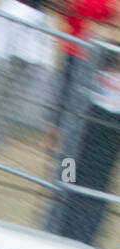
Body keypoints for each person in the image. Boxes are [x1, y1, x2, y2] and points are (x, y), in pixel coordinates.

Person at [52, 24, 120, 242]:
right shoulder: (92, 64)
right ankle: (56, 226)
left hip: (107, 140)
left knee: (95, 190)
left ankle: (83, 237)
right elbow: (95, 36)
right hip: (79, 136)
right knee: (66, 179)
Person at [0, 0, 58, 151]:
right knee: (0, 96)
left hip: (27, 49)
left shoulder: (39, 15)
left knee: (10, 100)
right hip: (13, 50)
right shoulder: (15, 8)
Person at [50, 0, 116, 150]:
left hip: (92, 54)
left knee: (77, 98)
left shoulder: (108, 2)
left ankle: (66, 138)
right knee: (62, 94)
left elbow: (112, 19)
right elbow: (63, 12)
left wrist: (100, 27)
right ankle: (56, 137)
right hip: (71, 48)